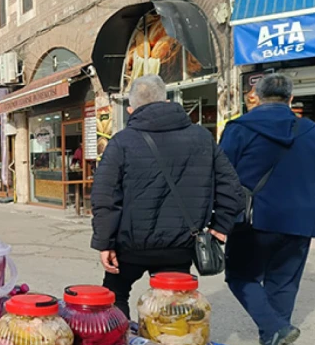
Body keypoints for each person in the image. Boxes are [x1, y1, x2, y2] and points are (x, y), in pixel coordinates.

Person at [90, 75, 243, 318]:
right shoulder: (201, 137)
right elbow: (232, 188)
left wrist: (104, 242)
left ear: (131, 109)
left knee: (115, 294)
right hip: (181, 245)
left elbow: (105, 196)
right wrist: (221, 226)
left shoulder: (122, 142)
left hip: (130, 245)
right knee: (173, 304)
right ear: (167, 99)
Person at [220, 74, 315, 345]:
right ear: (290, 99)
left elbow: (222, 176)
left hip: (255, 221)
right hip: (302, 222)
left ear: (256, 96)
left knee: (240, 275)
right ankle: (272, 334)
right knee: (284, 282)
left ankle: (275, 329)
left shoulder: (239, 128)